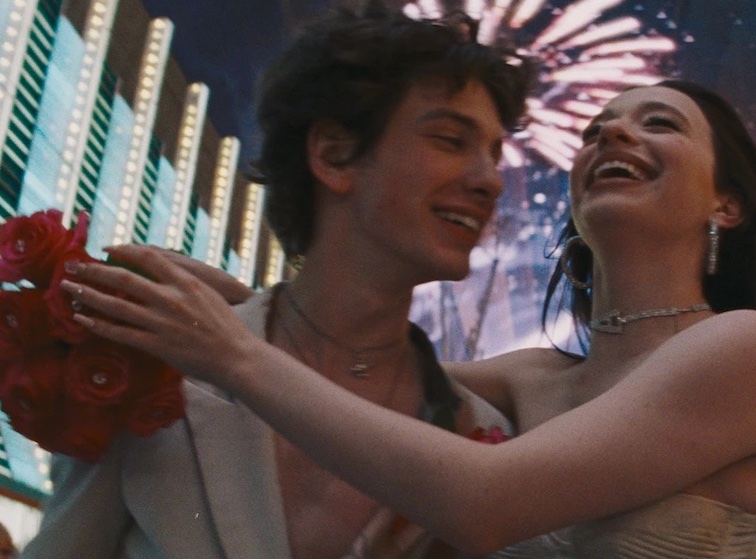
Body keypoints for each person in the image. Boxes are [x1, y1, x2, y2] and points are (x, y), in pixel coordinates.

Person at [63, 80, 756, 558]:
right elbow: (352, 373)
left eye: (659, 124)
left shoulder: (746, 348)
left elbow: (482, 500)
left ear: (727, 204)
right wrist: (234, 302)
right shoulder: (532, 377)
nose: (611, 136)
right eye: (595, 130)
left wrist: (232, 350)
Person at [22, 6, 532, 559]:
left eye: (494, 153)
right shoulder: (153, 360)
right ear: (334, 155)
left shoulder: (480, 434)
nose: (491, 181)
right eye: (451, 140)